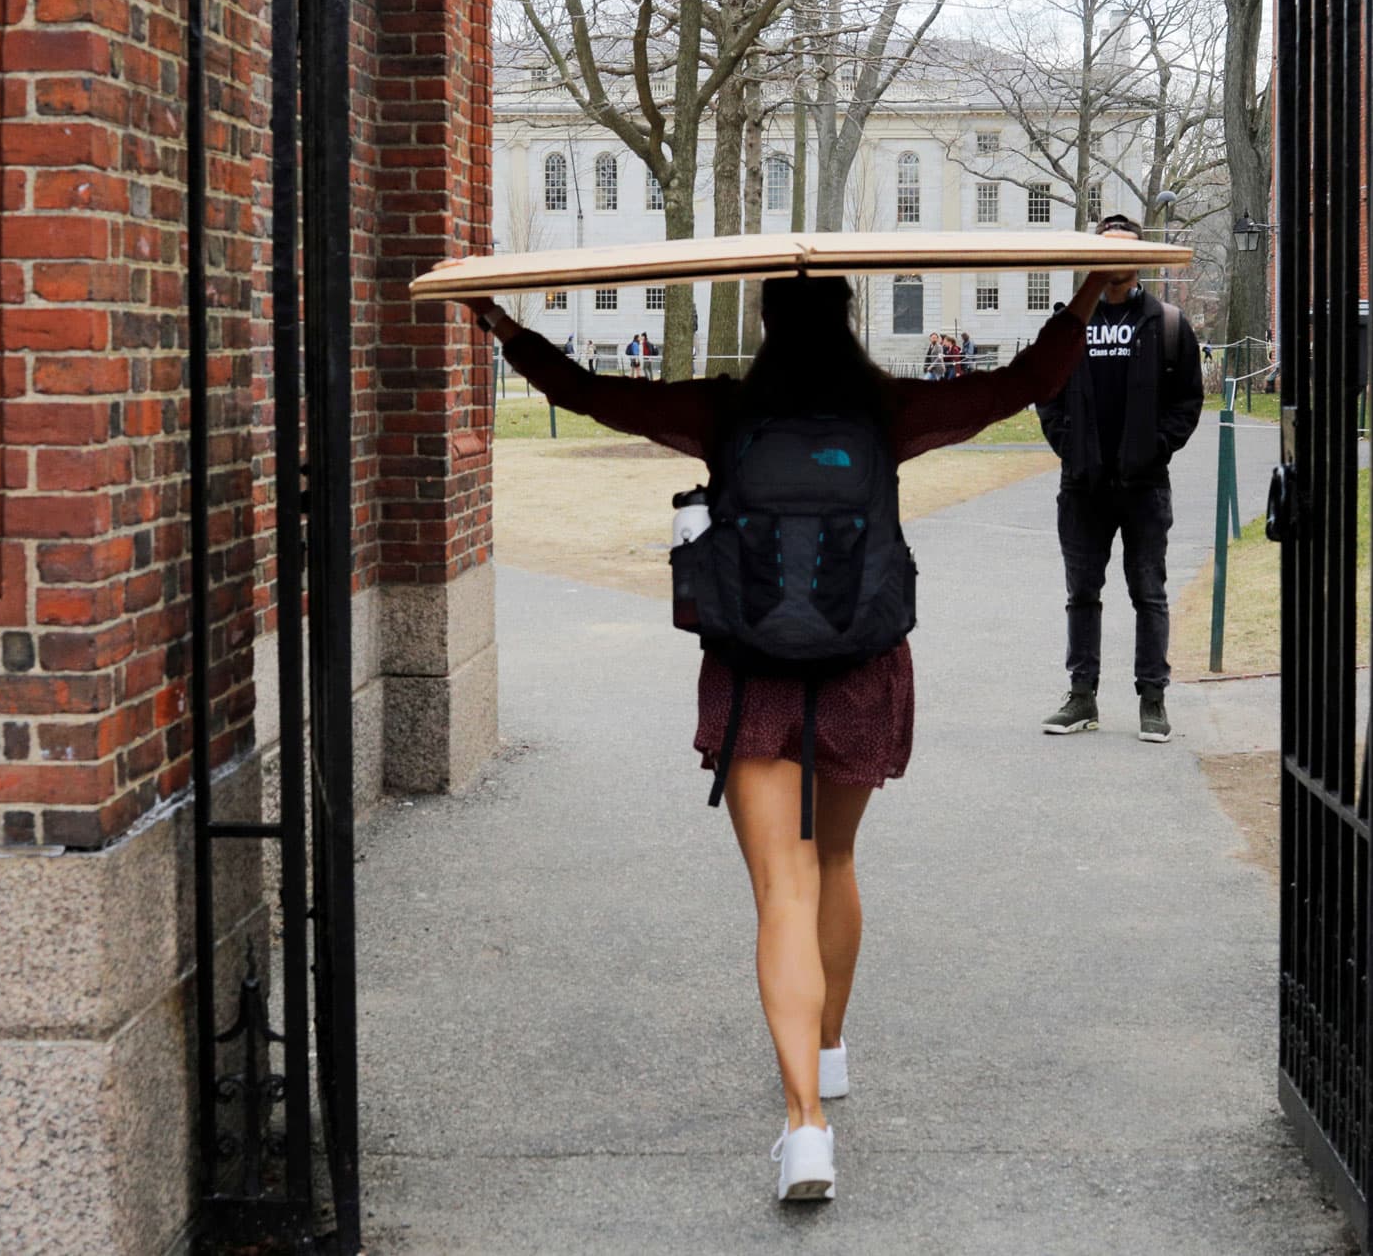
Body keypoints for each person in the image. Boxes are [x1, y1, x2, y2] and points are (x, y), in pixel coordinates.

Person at [462, 268, 1115, 1203]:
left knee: (783, 889)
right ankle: (832, 1046)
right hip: (860, 664)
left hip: (751, 671)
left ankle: (805, 1125)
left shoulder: (724, 412)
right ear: (847, 319)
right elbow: (1021, 384)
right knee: (836, 866)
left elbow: (586, 393)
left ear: (765, 323)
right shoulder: (885, 409)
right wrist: (1085, 297)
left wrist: (503, 326)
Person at [1034, 214, 1204, 743]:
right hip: (1082, 489)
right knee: (1081, 594)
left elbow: (1188, 401)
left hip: (1143, 488)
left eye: (1125, 249)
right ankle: (1082, 697)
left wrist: (1154, 449)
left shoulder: (1167, 323)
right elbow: (1047, 392)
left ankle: (1152, 700)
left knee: (1148, 593)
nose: (1115, 258)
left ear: (1140, 258)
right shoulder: (1069, 325)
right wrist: (1071, 447)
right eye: (1105, 249)